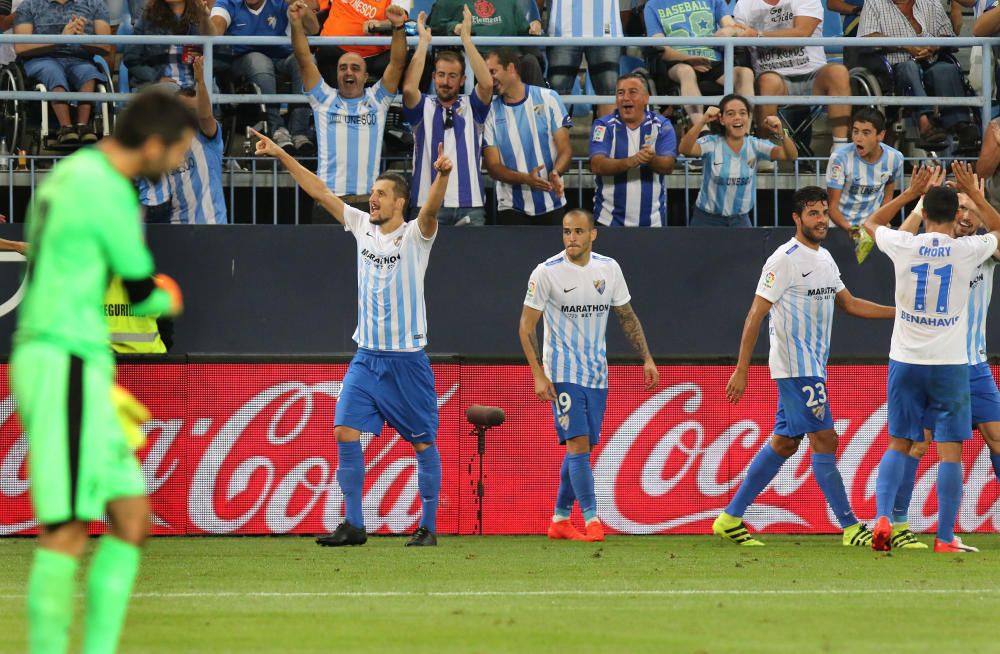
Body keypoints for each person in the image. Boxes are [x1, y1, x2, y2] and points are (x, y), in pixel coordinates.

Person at [10, 91, 191, 654]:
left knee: (132, 516)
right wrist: (169, 298)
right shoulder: (109, 190)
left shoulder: (68, 174)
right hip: (60, 358)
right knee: (64, 531)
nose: (179, 165)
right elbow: (142, 291)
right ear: (154, 144)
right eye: (180, 152)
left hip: (79, 363)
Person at [250, 129, 453, 547]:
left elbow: (431, 210)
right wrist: (281, 154)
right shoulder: (361, 226)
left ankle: (429, 526)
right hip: (366, 358)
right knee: (344, 430)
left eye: (381, 193)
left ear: (400, 202)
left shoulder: (416, 234)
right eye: (372, 193)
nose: (372, 199)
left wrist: (442, 178)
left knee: (423, 443)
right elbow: (320, 191)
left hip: (407, 361)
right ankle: (355, 524)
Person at [715, 186, 895, 547]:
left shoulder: (826, 259)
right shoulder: (784, 259)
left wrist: (901, 315)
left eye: (824, 212)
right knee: (825, 438)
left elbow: (850, 304)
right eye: (813, 213)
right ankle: (849, 527)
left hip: (813, 366)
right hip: (796, 367)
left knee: (785, 443)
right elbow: (755, 314)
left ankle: (729, 518)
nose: (821, 220)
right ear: (797, 218)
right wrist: (742, 367)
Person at [862, 162, 1000, 553]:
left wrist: (910, 197)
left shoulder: (904, 245)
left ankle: (883, 516)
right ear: (956, 215)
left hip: (905, 360)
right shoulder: (966, 251)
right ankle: (944, 537)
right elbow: (999, 231)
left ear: (925, 213)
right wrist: (975, 194)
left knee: (898, 443)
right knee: (949, 452)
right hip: (950, 363)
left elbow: (871, 225)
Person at [518, 209, 659, 542]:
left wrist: (647, 359)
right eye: (567, 232)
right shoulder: (546, 272)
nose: (572, 238)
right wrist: (538, 374)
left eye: (579, 232)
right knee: (578, 442)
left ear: (593, 234)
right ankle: (593, 520)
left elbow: (626, 315)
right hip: (562, 372)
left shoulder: (608, 269)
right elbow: (526, 327)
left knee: (582, 448)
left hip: (597, 374)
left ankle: (560, 519)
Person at [291, 0, 408, 222]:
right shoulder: (323, 100)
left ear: (366, 76)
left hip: (367, 206)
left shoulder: (378, 101)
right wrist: (296, 24)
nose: (348, 72)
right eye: (343, 67)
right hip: (328, 203)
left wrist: (398, 29)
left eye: (355, 68)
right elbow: (304, 59)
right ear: (336, 75)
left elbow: (397, 63)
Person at [402, 7, 492, 226]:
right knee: (426, 262)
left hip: (471, 205)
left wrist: (466, 41)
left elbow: (487, 83)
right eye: (441, 75)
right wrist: (423, 43)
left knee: (474, 262)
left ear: (462, 80)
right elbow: (408, 89)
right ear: (433, 77)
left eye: (452, 76)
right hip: (427, 204)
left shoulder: (473, 106)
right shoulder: (423, 106)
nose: (445, 81)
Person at [732, 0, 852, 145]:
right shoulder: (744, 5)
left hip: (814, 77)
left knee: (838, 72)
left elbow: (801, 34)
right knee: (767, 81)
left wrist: (758, 36)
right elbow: (737, 36)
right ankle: (765, 148)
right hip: (774, 80)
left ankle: (839, 148)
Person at [209, 0, 319, 154]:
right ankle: (277, 129)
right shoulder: (229, 2)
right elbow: (214, 32)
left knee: (307, 61)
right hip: (244, 61)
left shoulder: (282, 2)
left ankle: (300, 132)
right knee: (259, 60)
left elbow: (314, 29)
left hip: (281, 58)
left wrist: (300, 7)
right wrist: (205, 17)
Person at [483, 48, 573, 226]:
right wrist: (525, 179)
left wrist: (556, 172)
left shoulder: (548, 98)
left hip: (552, 201)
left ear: (510, 68)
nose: (489, 80)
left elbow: (565, 149)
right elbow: (493, 166)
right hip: (511, 207)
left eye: (493, 72)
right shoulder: (489, 112)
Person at [858, 0, 967, 148]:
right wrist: (906, 45)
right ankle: (925, 124)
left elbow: (948, 34)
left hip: (930, 61)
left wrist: (933, 46)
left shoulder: (931, 3)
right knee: (909, 68)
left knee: (946, 69)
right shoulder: (875, 3)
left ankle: (962, 126)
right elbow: (867, 36)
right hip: (895, 66)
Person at [678, 94, 796, 227]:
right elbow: (684, 149)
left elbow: (791, 156)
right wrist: (702, 121)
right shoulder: (711, 143)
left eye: (743, 113)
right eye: (730, 113)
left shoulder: (756, 145)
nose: (737, 117)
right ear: (722, 120)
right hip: (706, 220)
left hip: (740, 221)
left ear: (748, 118)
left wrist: (782, 132)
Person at [13, 0, 112, 145]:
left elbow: (106, 47)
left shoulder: (95, 4)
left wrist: (83, 37)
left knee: (88, 72)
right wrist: (60, 39)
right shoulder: (29, 5)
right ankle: (66, 129)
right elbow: (21, 47)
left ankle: (83, 127)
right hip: (41, 59)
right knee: (53, 71)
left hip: (80, 59)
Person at [643, 0, 755, 125]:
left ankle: (745, 131)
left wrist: (731, 30)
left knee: (745, 73)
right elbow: (662, 50)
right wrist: (687, 59)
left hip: (711, 60)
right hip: (678, 62)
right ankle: (701, 130)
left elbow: (734, 27)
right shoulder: (653, 5)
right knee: (686, 71)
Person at [589, 73, 677, 227]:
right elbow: (597, 165)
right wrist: (632, 161)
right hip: (608, 222)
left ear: (646, 98)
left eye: (632, 92)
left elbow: (668, 166)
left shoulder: (662, 125)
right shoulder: (603, 125)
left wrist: (651, 159)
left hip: (653, 223)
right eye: (620, 93)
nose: (625, 97)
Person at [825, 108, 903, 254]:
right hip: (839, 229)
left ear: (880, 135)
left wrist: (882, 221)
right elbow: (832, 206)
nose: (858, 138)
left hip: (871, 230)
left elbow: (889, 191)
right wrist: (851, 229)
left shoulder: (895, 158)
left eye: (865, 133)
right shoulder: (839, 159)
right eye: (855, 131)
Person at [166, 56, 228, 224]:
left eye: (194, 110)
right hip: (177, 230)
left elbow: (205, 115)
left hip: (213, 227)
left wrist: (200, 82)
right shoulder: (164, 146)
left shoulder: (208, 137)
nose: (192, 116)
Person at [427, 0, 545, 85]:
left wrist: (533, 27)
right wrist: (453, 27)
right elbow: (433, 27)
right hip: (471, 59)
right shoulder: (447, 2)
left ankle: (538, 113)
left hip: (507, 60)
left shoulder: (510, 2)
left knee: (530, 62)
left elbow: (524, 31)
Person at [543, 0, 621, 118]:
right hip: (563, 30)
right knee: (557, 93)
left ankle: (608, 135)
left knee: (608, 92)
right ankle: (558, 136)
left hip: (606, 29)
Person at [313, 0, 410, 85]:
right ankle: (335, 102)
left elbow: (399, 19)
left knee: (408, 57)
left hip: (374, 57)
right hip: (335, 49)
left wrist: (379, 25)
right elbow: (315, 8)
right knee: (325, 50)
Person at [123, 0, 213, 89]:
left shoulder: (199, 18)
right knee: (171, 89)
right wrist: (157, 79)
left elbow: (215, 57)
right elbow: (131, 58)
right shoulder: (148, 17)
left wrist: (205, 18)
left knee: (210, 90)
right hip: (161, 90)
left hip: (193, 84)